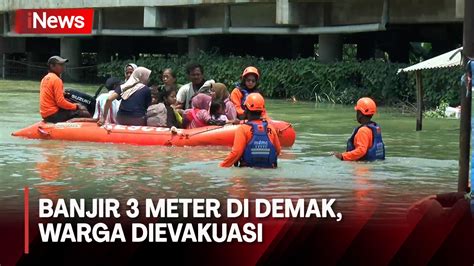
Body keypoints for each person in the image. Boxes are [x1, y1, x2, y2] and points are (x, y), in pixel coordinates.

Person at [220, 93, 281, 168]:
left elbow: (236, 153)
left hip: (247, 171)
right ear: (262, 110)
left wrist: (222, 166)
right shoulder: (270, 128)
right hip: (268, 171)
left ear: (246, 109)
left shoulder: (242, 129)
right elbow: (277, 151)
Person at [332, 97, 385, 161]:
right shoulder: (374, 128)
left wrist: (342, 156)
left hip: (362, 168)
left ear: (360, 114)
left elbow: (361, 151)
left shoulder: (363, 131)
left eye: (357, 112)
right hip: (372, 166)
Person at [40, 55, 88, 123]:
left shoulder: (45, 78)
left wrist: (63, 94)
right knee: (84, 112)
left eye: (63, 64)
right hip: (54, 115)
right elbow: (60, 102)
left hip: (45, 114)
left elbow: (50, 95)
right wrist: (76, 107)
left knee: (72, 105)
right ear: (52, 66)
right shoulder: (56, 80)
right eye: (60, 65)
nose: (63, 67)